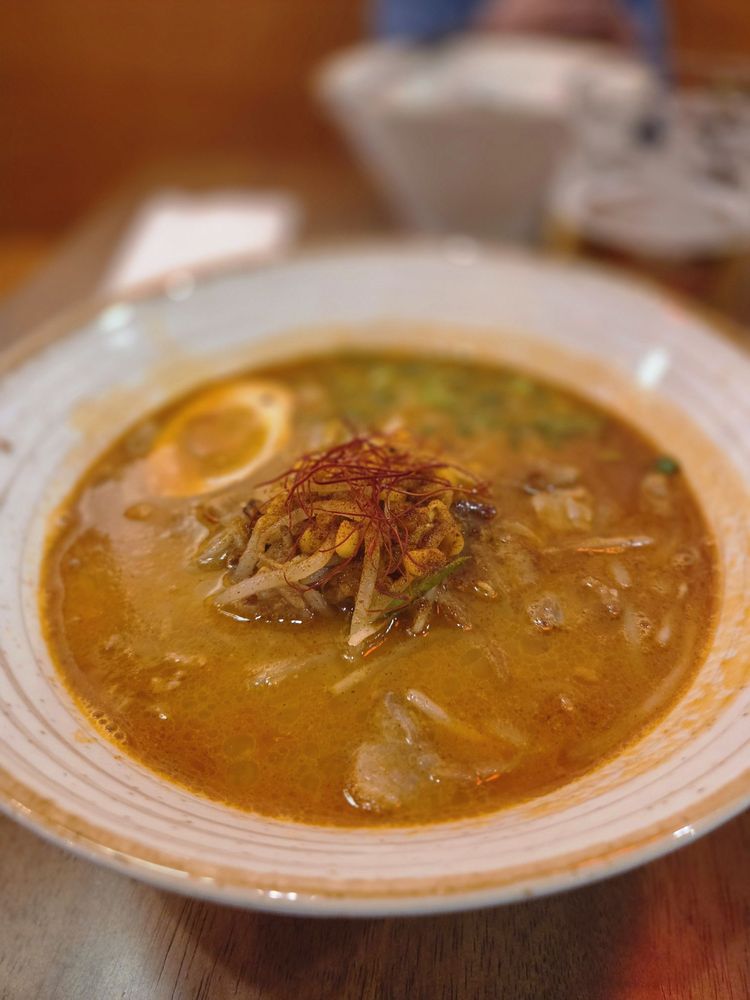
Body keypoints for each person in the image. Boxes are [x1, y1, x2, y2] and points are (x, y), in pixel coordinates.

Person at [373, 0, 666, 64]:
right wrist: (495, 29)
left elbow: (657, 90)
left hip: (601, 161)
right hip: (467, 159)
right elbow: (390, 66)